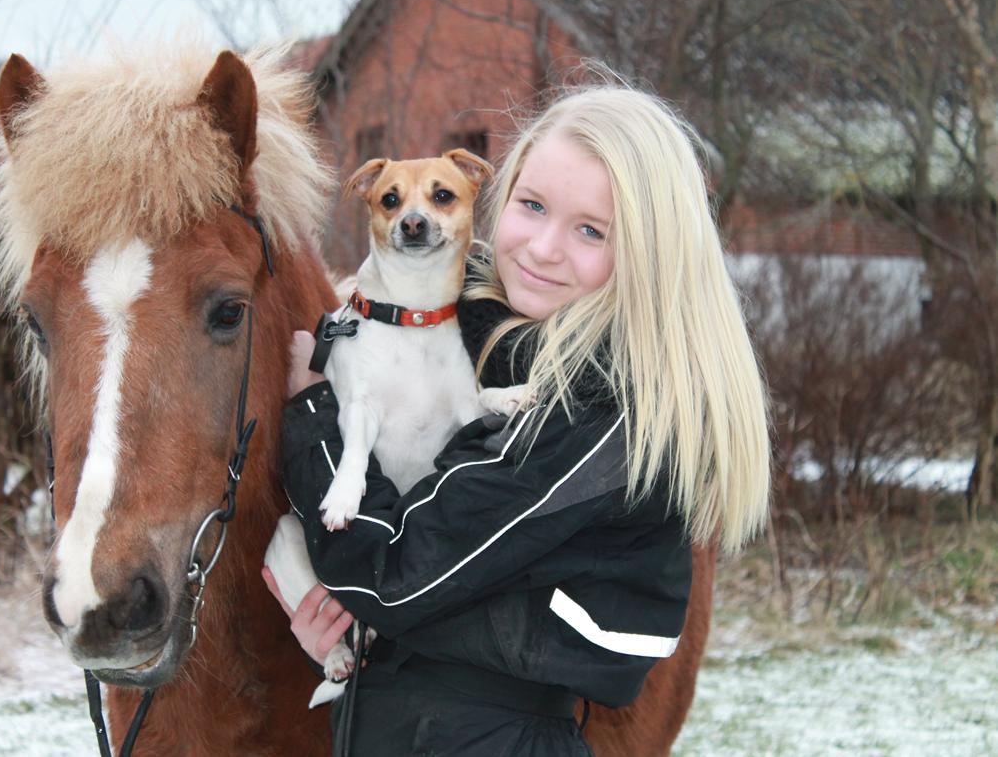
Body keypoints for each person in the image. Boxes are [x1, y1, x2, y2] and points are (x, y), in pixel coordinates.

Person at [262, 78, 770, 756]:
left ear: (648, 257)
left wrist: (313, 412)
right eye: (531, 205)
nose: (542, 248)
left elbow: (397, 575)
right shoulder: (469, 330)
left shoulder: (602, 410)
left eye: (591, 230)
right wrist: (338, 620)